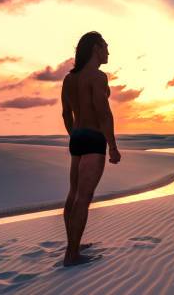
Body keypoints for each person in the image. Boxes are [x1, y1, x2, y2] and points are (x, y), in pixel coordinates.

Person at [61, 31, 121, 266]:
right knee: (84, 198)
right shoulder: (97, 77)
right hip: (94, 138)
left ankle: (73, 245)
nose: (108, 51)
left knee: (73, 195)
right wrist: (113, 146)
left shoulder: (69, 79)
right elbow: (103, 112)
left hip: (77, 138)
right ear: (96, 48)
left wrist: (74, 135)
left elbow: (66, 113)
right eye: (105, 46)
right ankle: (72, 255)